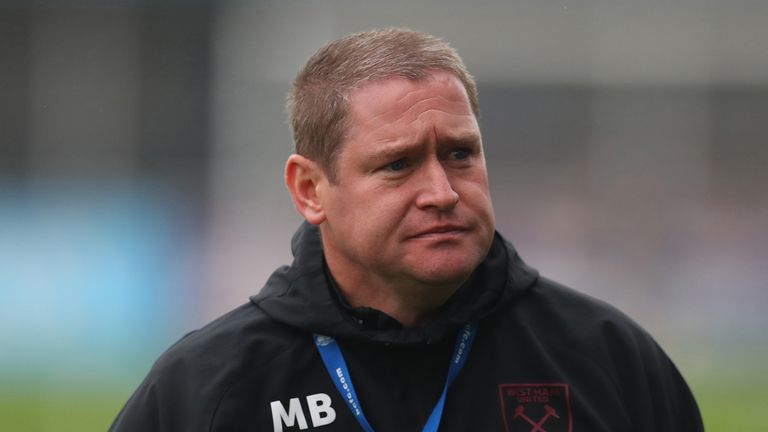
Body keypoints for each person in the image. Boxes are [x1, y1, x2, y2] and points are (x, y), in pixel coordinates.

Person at [110, 28, 704, 432]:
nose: (442, 192)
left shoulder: (606, 357)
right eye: (397, 165)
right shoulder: (207, 387)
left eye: (461, 154)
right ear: (310, 191)